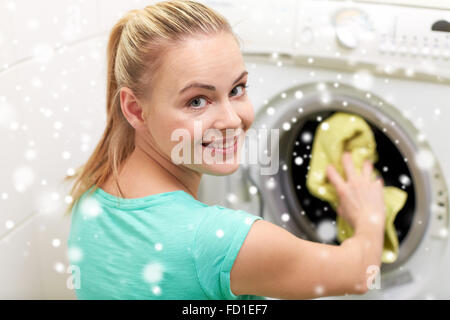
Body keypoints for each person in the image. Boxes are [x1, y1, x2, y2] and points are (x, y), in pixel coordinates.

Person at [63, 0, 386, 300]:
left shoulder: (93, 193)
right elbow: (361, 274)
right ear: (134, 109)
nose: (232, 120)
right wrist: (370, 215)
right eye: (197, 101)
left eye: (237, 89)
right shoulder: (220, 241)